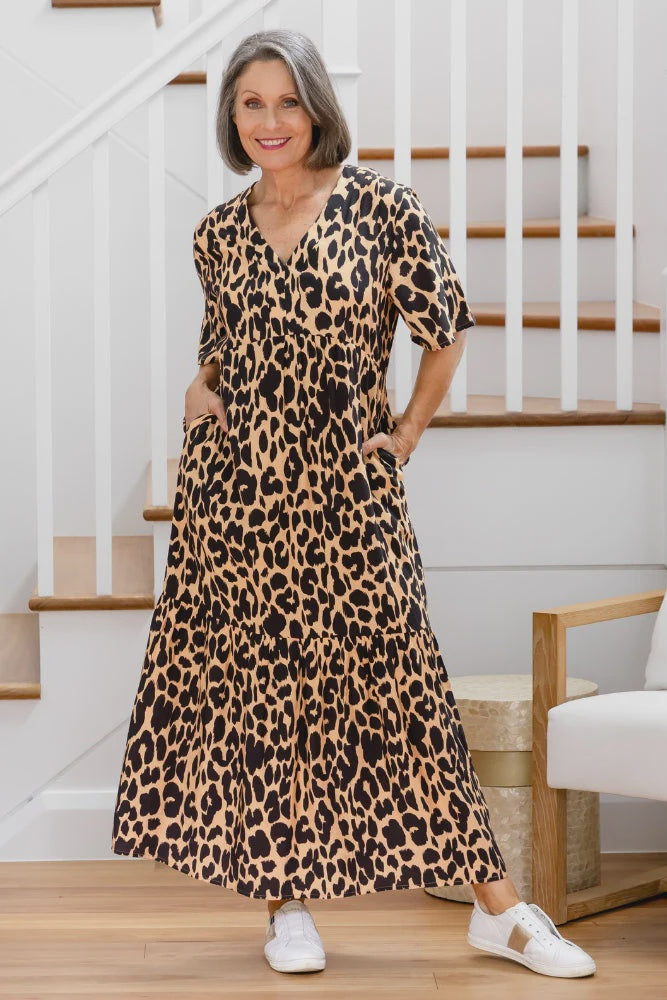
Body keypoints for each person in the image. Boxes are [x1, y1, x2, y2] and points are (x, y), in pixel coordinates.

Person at [111, 28, 596, 981]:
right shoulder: (218, 230)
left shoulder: (380, 207)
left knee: (402, 682)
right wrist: (198, 391)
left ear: (318, 107)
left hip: (346, 493)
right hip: (236, 497)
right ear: (231, 118)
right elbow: (224, 344)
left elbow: (444, 327)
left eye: (286, 101)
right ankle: (285, 903)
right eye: (251, 104)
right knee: (261, 691)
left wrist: (406, 431)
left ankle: (498, 909)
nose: (270, 122)